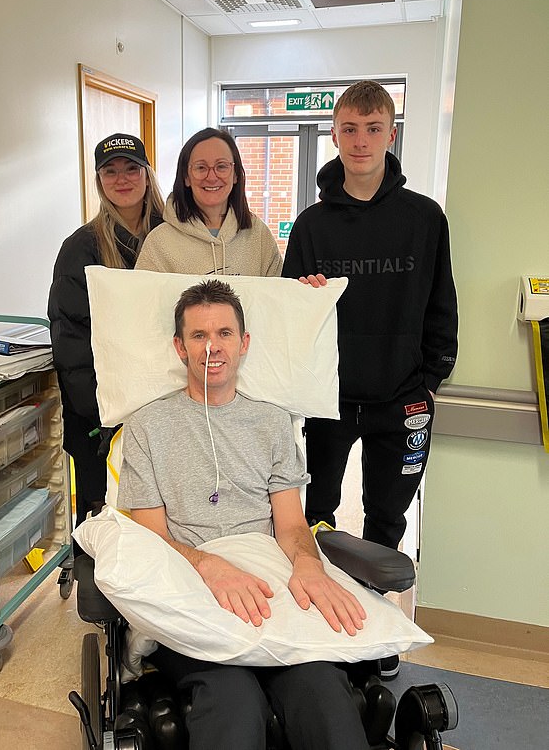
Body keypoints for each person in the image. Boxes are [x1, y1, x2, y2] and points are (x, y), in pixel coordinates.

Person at [117, 279, 369, 750]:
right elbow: (150, 537)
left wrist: (309, 565)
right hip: (191, 592)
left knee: (322, 691)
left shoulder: (273, 423)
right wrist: (211, 568)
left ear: (244, 343)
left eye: (225, 333)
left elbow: (292, 525)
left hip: (269, 588)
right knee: (234, 701)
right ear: (179, 347)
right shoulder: (147, 428)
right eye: (198, 335)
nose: (212, 346)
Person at [282, 82, 457, 645]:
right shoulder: (311, 225)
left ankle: (374, 626)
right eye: (350, 129)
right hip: (330, 398)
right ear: (334, 134)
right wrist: (305, 294)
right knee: (320, 512)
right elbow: (289, 311)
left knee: (388, 519)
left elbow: (442, 302)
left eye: (373, 128)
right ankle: (320, 617)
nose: (361, 141)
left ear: (391, 133)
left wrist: (431, 378)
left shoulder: (425, 218)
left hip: (403, 397)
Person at [48, 133, 164, 531]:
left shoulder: (175, 237)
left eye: (132, 168)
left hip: (164, 404)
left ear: (147, 175)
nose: (122, 179)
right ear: (99, 180)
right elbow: (71, 341)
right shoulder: (80, 248)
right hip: (102, 412)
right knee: (104, 522)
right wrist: (105, 410)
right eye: (110, 171)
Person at [135, 127, 282, 276]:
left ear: (236, 175)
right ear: (186, 177)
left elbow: (276, 295)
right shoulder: (159, 242)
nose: (211, 177)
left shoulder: (259, 235)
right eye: (201, 167)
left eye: (222, 166)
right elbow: (145, 297)